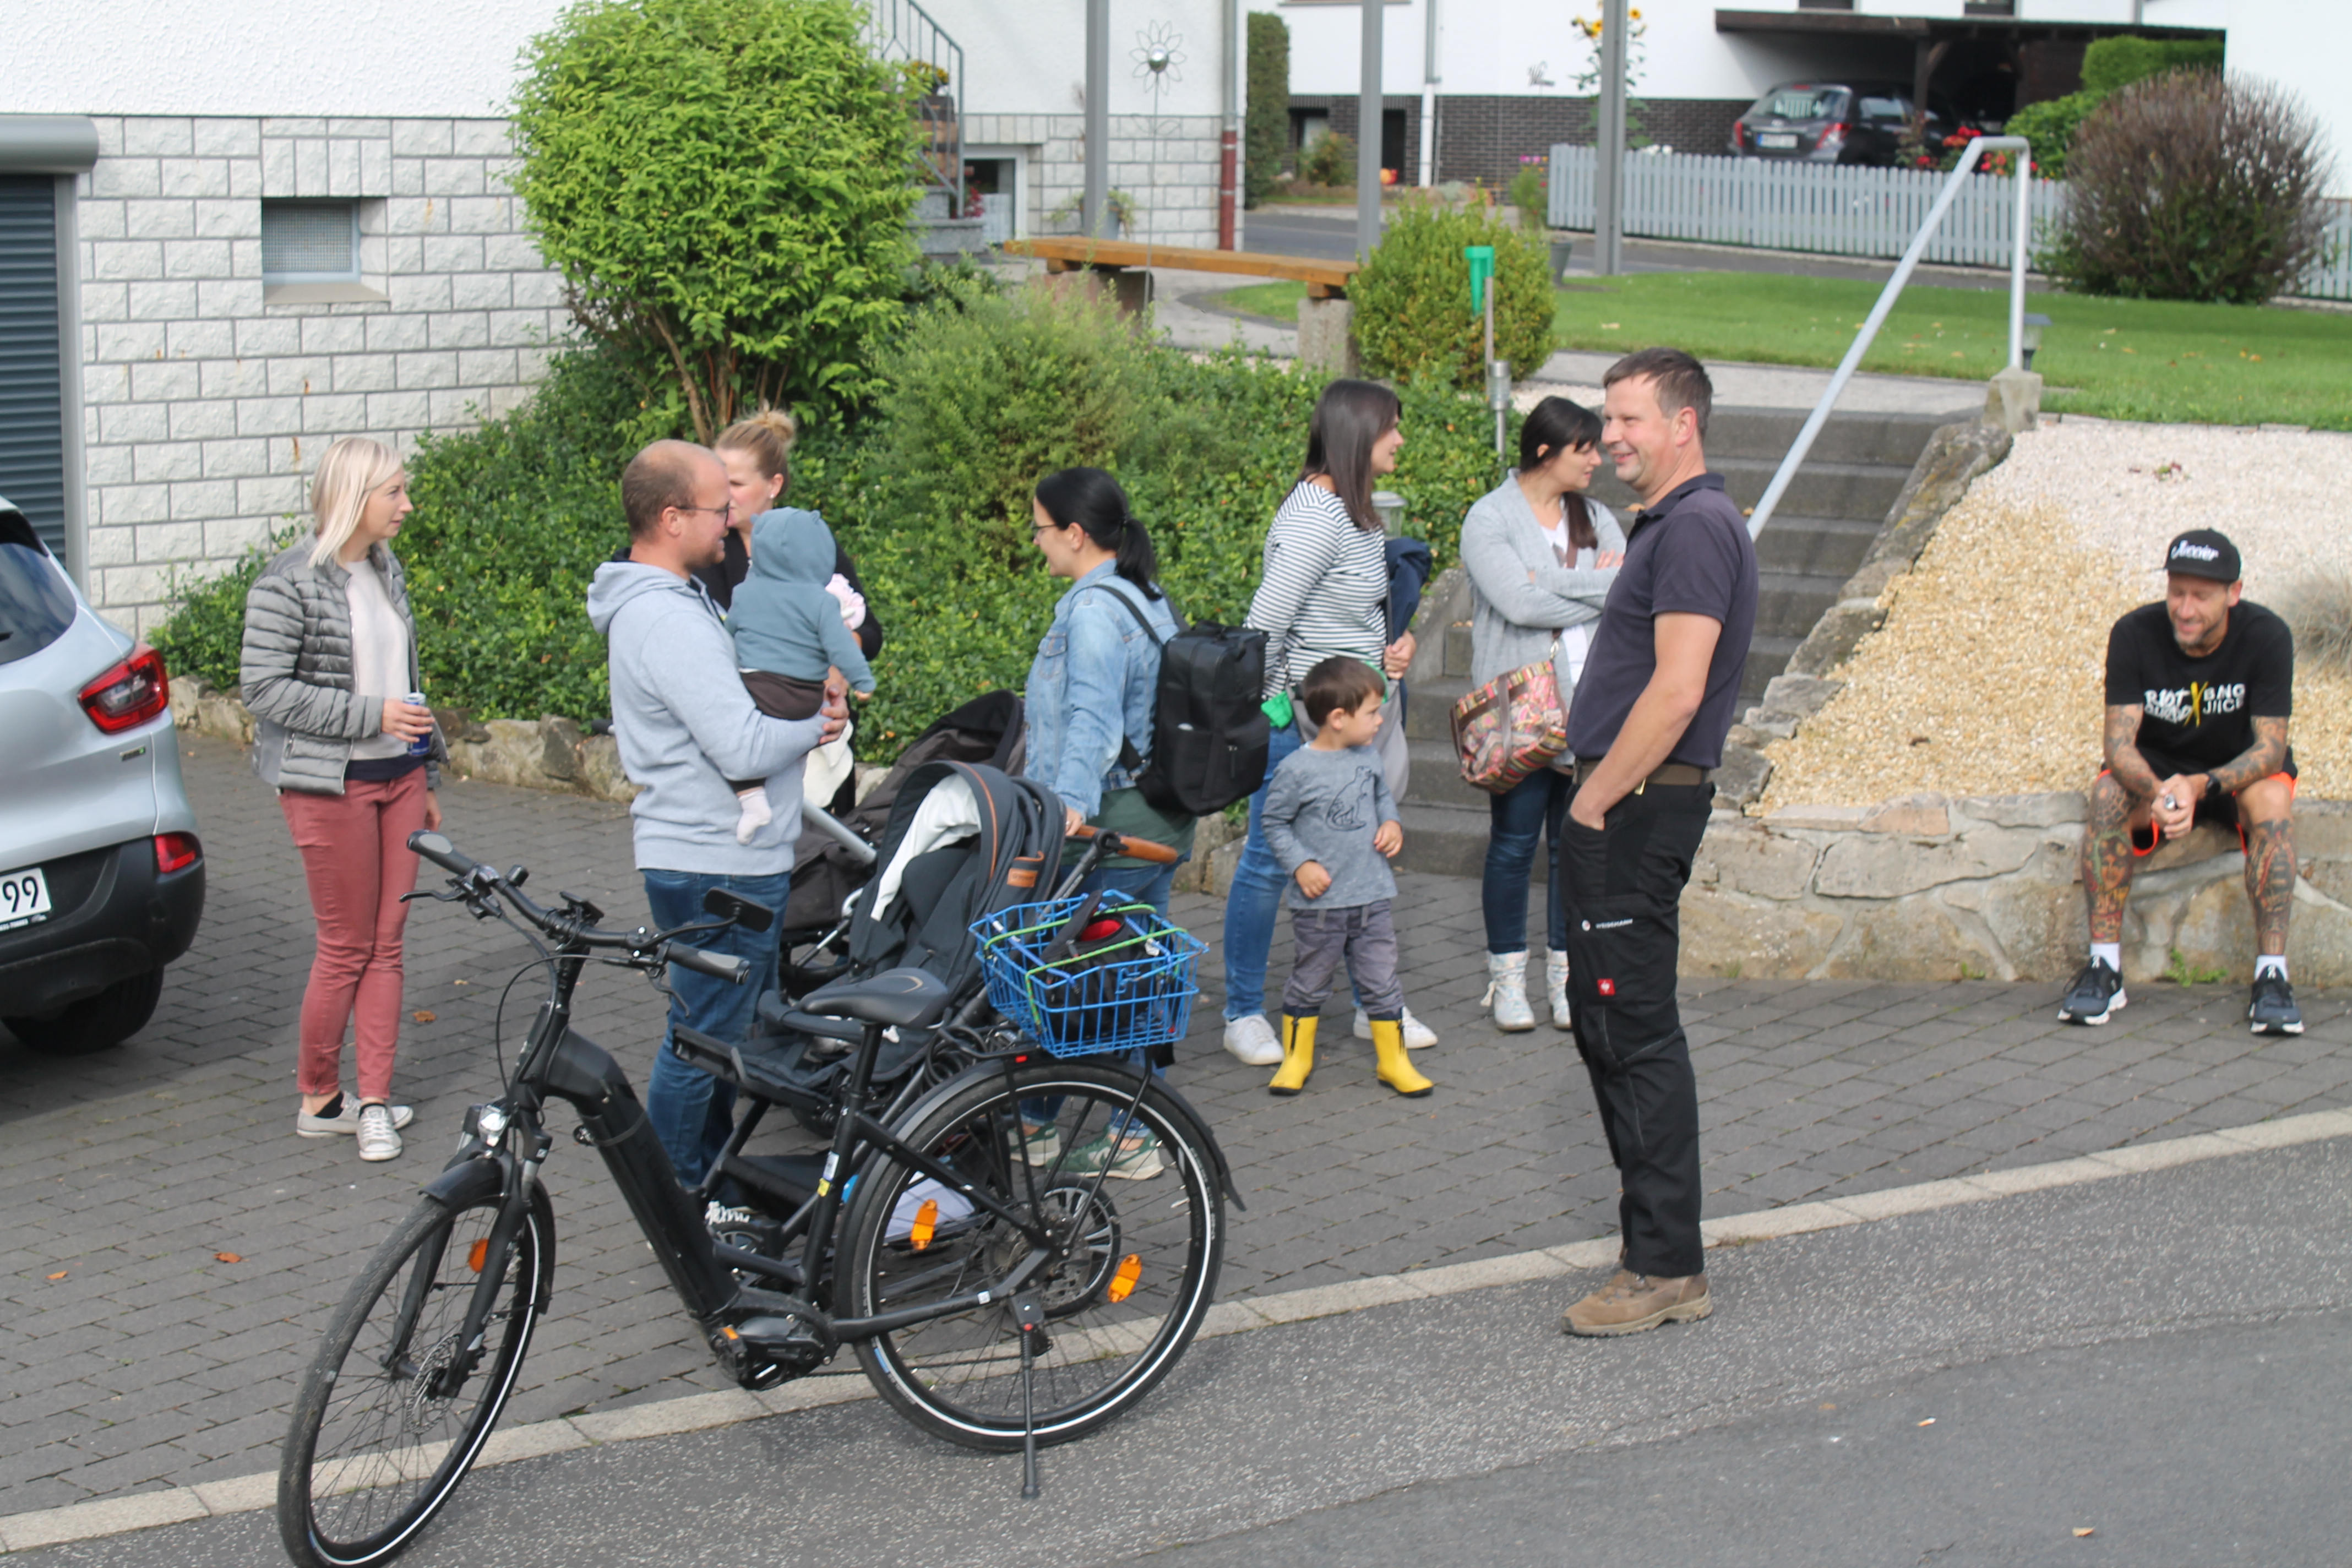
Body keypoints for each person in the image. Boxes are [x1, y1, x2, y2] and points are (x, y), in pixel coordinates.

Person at [1555, 348, 1757, 1340]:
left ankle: (1667, 1266)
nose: (1611, 437)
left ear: (1685, 424)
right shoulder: (1675, 525)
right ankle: (1654, 1249)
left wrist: (1591, 802)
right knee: (1608, 1026)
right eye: (1608, 419)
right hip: (1626, 805)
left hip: (1634, 813)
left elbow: (1678, 690)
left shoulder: (1696, 528)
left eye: (1630, 419)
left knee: (1632, 1031)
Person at [585, 439, 847, 1185]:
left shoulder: (676, 600)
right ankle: (678, 1196)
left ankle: (701, 1180)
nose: (730, 521)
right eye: (717, 509)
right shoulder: (666, 618)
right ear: (671, 518)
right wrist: (817, 727)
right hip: (716, 860)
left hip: (715, 853)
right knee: (703, 1039)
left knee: (714, 1033)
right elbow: (740, 745)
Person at [241, 436, 443, 1163]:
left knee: (387, 945)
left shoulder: (387, 569)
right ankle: (322, 1099)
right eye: (395, 492)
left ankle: (376, 1102)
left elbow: (406, 681)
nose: (407, 504)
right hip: (331, 786)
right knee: (346, 947)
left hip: (401, 780)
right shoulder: (287, 581)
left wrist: (430, 775)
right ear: (356, 497)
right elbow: (263, 690)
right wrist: (371, 716)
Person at [1220, 379, 1432, 1069]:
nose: (1401, 439)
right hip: (1302, 729)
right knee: (1267, 862)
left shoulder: (1355, 511)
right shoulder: (1317, 512)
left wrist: (1390, 650)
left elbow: (1354, 611)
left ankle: (1376, 1007)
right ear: (1358, 434)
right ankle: (1242, 1013)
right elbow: (1265, 623)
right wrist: (1279, 709)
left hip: (1348, 727)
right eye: (1391, 427)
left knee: (1357, 861)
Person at [1019, 466, 1193, 1179]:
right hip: (1157, 820)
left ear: (1074, 533)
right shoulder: (1144, 594)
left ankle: (1122, 1131)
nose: (1035, 543)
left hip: (1110, 829)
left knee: (1078, 977)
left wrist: (1065, 806)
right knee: (1124, 970)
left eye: (1039, 529)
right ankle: (1051, 1120)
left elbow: (1093, 718)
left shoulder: (1094, 611)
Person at [2060, 529, 2301, 1036]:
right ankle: (2105, 967)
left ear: (2234, 593)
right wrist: (2160, 791)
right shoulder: (2134, 633)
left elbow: (2270, 749)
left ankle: (2272, 976)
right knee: (2107, 794)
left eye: (2201, 596)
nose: (2185, 609)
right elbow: (2118, 746)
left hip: (2234, 774)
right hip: (2159, 776)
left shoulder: (2267, 636)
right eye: (2177, 592)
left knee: (2274, 801)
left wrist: (2200, 785)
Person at [1458, 396, 1625, 1032]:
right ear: (1544, 450)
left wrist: (1546, 579)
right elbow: (1518, 605)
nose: (1597, 459)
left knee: (1572, 847)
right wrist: (1593, 585)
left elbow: (1628, 585)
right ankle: (1507, 979)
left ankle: (1564, 979)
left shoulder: (1596, 515)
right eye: (1585, 448)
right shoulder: (1490, 517)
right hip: (1522, 709)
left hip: (1593, 704)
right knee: (1513, 843)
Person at [1260, 656, 1431, 1100]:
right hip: (1321, 906)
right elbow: (1273, 822)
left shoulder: (1369, 757)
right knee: (1310, 981)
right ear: (1338, 718)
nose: (1380, 720)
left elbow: (1382, 798)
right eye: (1372, 712)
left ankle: (1393, 1061)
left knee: (1382, 981)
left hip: (1373, 897)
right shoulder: (1297, 770)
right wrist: (1300, 864)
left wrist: (1391, 823)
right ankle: (1297, 1058)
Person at [723, 508, 876, 843]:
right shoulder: (821, 601)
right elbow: (843, 648)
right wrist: (863, 682)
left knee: (725, 737)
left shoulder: (745, 592)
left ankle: (751, 799)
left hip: (759, 688)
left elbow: (726, 637)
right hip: (808, 696)